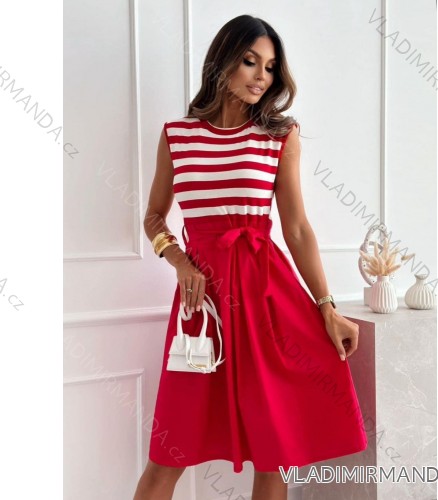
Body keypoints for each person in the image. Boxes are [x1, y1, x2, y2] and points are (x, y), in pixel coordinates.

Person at [133, 14, 368, 500]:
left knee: (272, 455)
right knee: (167, 456)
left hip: (267, 301)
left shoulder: (279, 136)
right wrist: (179, 260)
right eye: (250, 61)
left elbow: (297, 228)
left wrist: (327, 306)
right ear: (222, 61)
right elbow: (154, 217)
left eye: (270, 66)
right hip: (203, 310)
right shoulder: (177, 135)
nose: (262, 76)